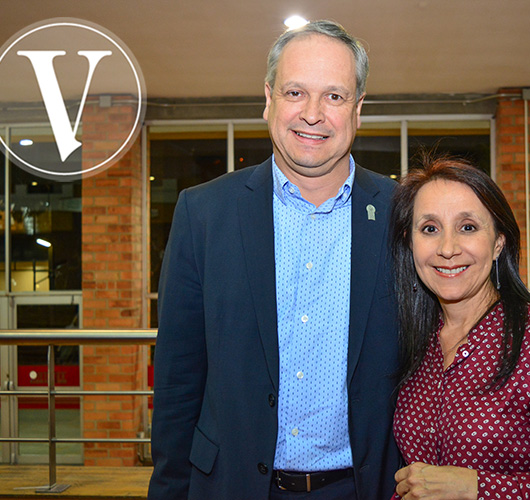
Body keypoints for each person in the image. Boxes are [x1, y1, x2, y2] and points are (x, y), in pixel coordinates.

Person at [148, 20, 401, 500]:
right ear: (268, 99)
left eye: (334, 96)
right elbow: (178, 381)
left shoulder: (401, 214)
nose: (312, 114)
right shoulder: (202, 214)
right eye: (294, 92)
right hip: (230, 486)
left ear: (358, 109)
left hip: (365, 488)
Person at [389, 156, 530, 499]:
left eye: (467, 227)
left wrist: (477, 488)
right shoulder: (413, 338)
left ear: (498, 242)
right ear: (410, 242)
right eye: (430, 229)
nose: (447, 248)